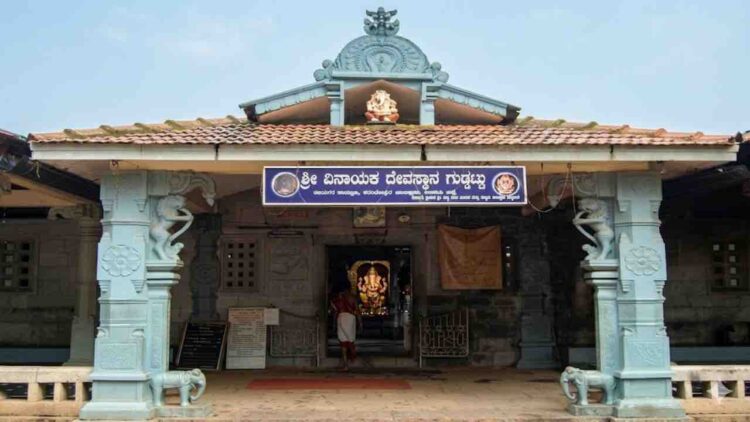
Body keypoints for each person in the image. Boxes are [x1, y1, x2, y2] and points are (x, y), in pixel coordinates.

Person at [330, 288, 362, 370]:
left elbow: (335, 311)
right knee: (350, 339)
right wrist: (360, 323)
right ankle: (352, 354)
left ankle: (345, 364)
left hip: (341, 318)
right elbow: (357, 311)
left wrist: (334, 324)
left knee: (343, 342)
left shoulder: (338, 298)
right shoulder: (352, 297)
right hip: (350, 318)